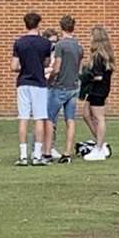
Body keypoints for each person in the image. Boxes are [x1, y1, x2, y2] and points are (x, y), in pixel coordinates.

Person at [11, 11, 54, 166]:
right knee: (39, 118)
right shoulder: (45, 43)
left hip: (23, 82)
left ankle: (23, 155)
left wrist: (24, 66)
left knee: (23, 118)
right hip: (39, 83)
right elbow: (47, 63)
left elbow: (14, 66)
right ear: (38, 24)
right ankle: (37, 155)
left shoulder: (19, 43)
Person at [46, 15, 83, 163]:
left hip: (60, 86)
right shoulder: (79, 46)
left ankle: (47, 151)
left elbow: (57, 67)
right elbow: (79, 68)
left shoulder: (61, 45)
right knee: (70, 120)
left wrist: (50, 79)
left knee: (50, 118)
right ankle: (67, 153)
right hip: (74, 85)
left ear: (61, 28)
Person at [79, 25, 115, 162]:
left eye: (91, 36)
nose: (89, 39)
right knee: (86, 114)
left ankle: (99, 148)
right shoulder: (100, 55)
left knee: (99, 118)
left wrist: (85, 75)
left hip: (99, 90)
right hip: (94, 90)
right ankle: (100, 142)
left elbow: (98, 76)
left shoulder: (99, 56)